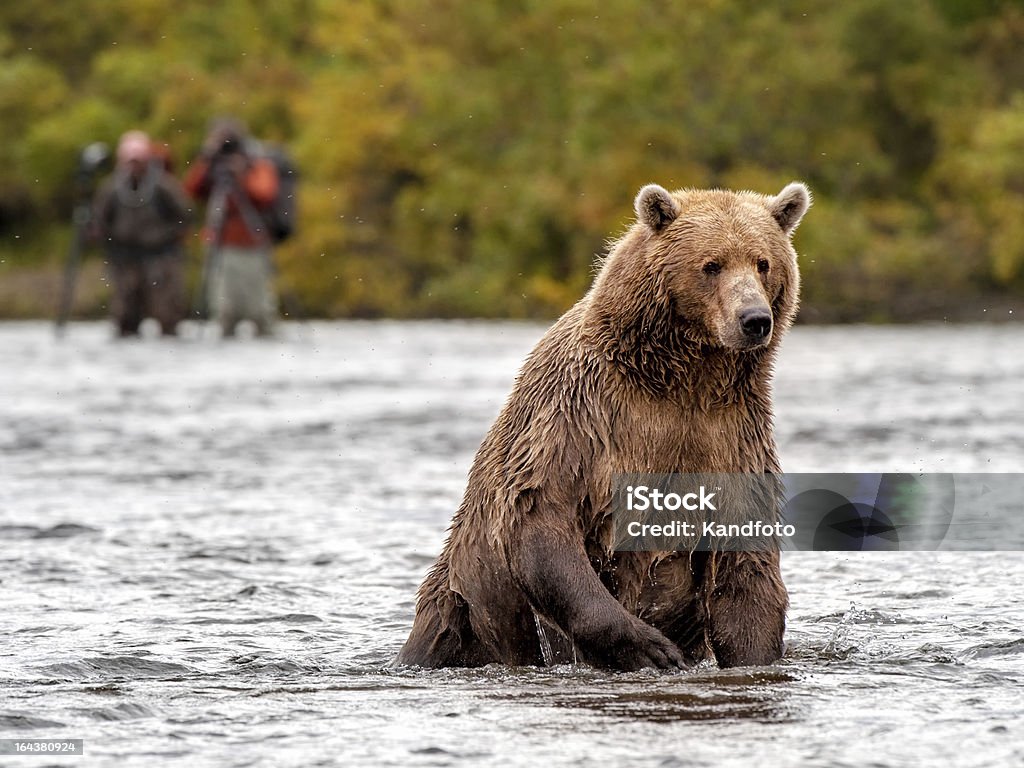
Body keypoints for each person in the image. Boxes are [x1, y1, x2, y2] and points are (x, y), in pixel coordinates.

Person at [183, 118, 279, 337]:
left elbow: (266, 193)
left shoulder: (256, 163)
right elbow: (189, 190)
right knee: (224, 310)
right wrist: (207, 158)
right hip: (221, 244)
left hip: (252, 242)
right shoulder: (212, 165)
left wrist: (241, 175)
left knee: (260, 311)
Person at [93, 130, 192, 337]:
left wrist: (171, 236)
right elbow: (99, 220)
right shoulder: (111, 188)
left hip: (160, 256)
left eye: (138, 161)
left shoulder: (164, 185)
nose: (134, 166)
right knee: (125, 316)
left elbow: (185, 214)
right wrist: (105, 238)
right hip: (125, 257)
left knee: (167, 313)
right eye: (130, 161)